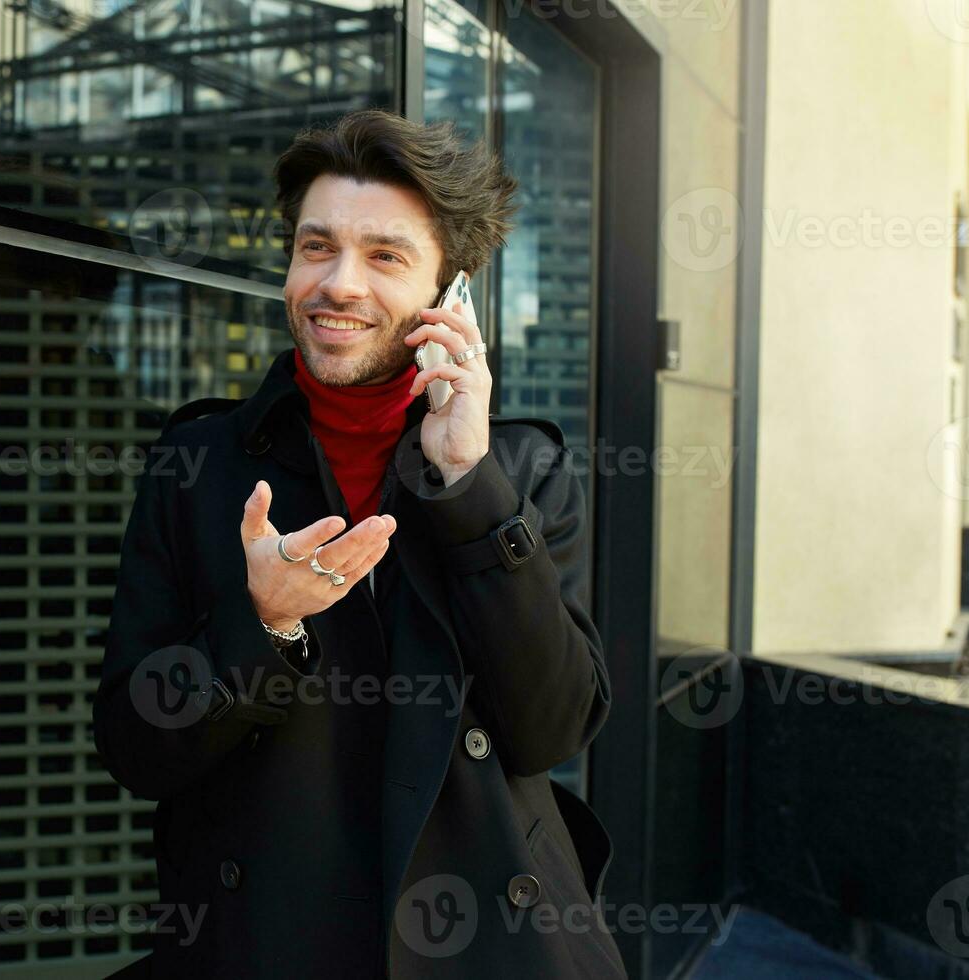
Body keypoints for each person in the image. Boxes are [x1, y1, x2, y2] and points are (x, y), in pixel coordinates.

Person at [94, 108, 627, 979]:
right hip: (270, 942)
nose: (339, 283)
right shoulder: (199, 462)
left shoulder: (519, 467)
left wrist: (468, 487)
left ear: (449, 294)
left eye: (385, 256)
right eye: (316, 247)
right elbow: (132, 746)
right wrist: (259, 629)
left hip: (490, 943)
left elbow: (553, 726)